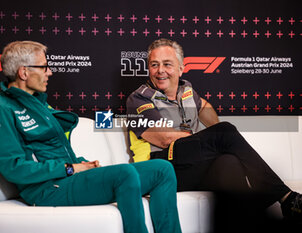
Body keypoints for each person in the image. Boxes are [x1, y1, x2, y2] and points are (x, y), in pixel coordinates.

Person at [0, 41, 182, 233]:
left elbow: (55, 150)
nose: (50, 72)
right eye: (44, 67)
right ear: (24, 72)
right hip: (46, 190)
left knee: (162, 170)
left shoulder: (39, 105)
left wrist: (82, 164)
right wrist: (70, 168)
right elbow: (15, 169)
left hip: (68, 178)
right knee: (124, 173)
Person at [126, 38, 302, 231]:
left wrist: (219, 137)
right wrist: (216, 137)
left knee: (229, 162)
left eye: (167, 64)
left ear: (180, 69)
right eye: (154, 65)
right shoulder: (138, 98)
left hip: (189, 166)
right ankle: (286, 198)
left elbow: (205, 107)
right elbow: (164, 138)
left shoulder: (187, 91)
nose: (160, 70)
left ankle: (247, 220)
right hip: (161, 165)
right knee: (225, 133)